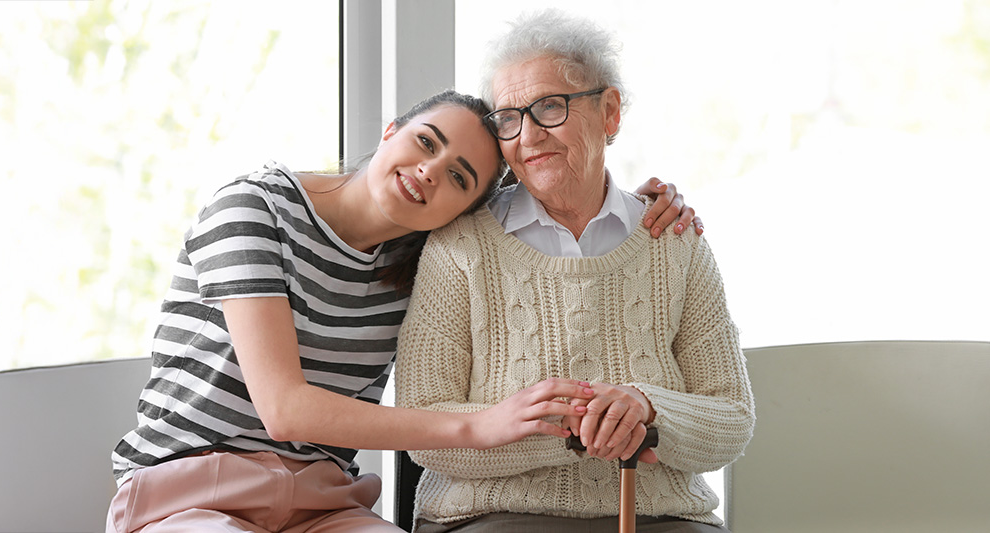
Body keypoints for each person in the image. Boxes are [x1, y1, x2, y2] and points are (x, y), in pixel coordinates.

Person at [106, 89, 697, 533]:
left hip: (321, 505)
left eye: (459, 178)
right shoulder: (253, 208)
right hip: (191, 492)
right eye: (426, 142)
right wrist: (480, 426)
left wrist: (637, 205)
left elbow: (546, 215)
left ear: (463, 211)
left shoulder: (424, 263)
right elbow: (285, 410)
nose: (430, 171)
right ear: (391, 130)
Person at [394, 10, 754, 533]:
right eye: (509, 118)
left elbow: (732, 419)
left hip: (662, 518)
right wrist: (572, 428)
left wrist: (649, 410)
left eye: (549, 107)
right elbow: (422, 426)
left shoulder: (674, 242)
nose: (528, 136)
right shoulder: (460, 246)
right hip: (489, 518)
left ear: (610, 112)